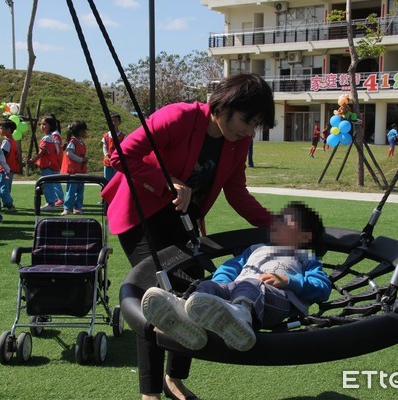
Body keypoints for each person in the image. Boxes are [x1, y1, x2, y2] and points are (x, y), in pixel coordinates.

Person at [102, 72, 275, 400]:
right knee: (155, 293)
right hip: (141, 213)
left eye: (257, 125)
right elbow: (120, 156)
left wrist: (278, 226)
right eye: (246, 120)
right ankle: (149, 393)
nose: (250, 131)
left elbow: (236, 192)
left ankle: (174, 380)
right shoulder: (180, 117)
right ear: (223, 106)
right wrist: (166, 181)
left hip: (181, 219)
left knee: (193, 289)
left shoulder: (238, 141)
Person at [142, 201, 332, 353]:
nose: (277, 222)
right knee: (209, 288)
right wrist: (220, 285)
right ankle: (185, 315)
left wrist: (289, 281)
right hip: (238, 290)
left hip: (275, 302)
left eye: (286, 221)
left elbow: (322, 287)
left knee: (250, 285)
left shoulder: (306, 258)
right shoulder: (256, 249)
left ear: (305, 236)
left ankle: (241, 318)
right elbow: (230, 267)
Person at [29, 115, 63, 211]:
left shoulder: (47, 139)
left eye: (45, 124)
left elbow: (41, 153)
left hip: (47, 165)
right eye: (41, 124)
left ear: (50, 125)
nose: (42, 126)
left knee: (47, 184)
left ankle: (50, 203)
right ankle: (53, 201)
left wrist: (33, 160)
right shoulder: (53, 137)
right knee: (51, 184)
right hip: (53, 164)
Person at [60, 121, 88, 215]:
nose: (85, 133)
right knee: (71, 190)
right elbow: (69, 153)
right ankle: (67, 208)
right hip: (73, 172)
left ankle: (78, 207)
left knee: (80, 191)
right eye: (84, 131)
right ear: (80, 131)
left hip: (80, 171)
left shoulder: (80, 142)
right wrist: (81, 160)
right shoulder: (72, 142)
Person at [0, 120, 20, 211]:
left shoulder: (6, 142)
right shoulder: (13, 141)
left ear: (8, 130)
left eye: (1, 128)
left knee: (3, 187)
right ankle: (7, 203)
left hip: (5, 169)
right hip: (10, 168)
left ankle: (9, 204)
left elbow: (2, 155)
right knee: (7, 187)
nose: (0, 130)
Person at [101, 112, 125, 182]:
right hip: (107, 162)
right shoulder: (106, 136)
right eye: (112, 121)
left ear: (119, 122)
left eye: (115, 121)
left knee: (116, 181)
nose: (113, 123)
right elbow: (104, 147)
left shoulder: (122, 136)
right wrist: (106, 155)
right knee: (106, 181)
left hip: (117, 162)